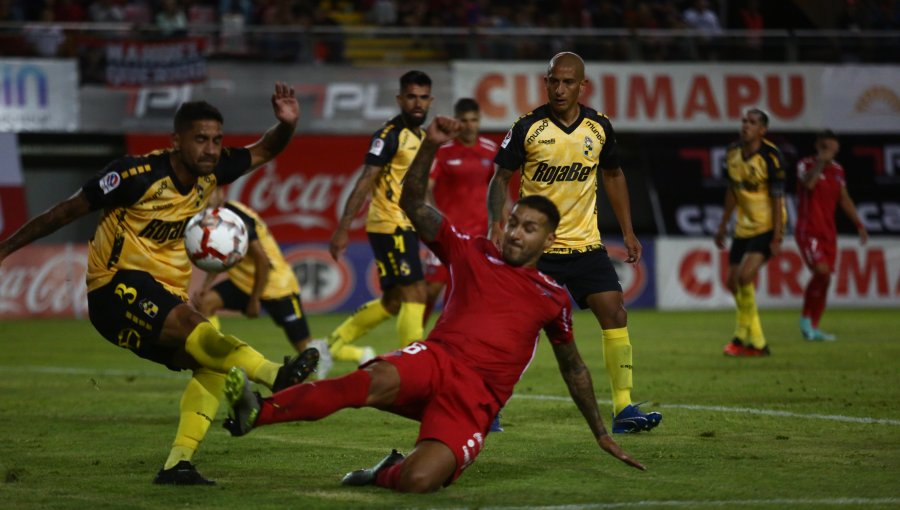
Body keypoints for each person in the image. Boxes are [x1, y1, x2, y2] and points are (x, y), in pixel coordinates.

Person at [221, 116, 646, 493]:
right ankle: (258, 411)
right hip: (435, 361)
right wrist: (429, 147)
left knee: (419, 480)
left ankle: (385, 472)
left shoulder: (553, 298)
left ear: (548, 241)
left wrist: (599, 433)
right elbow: (412, 205)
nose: (516, 233)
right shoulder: (471, 250)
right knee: (362, 384)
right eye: (514, 221)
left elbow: (574, 367)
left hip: (475, 400)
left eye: (529, 228)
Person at [0, 83, 319, 485]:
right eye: (200, 139)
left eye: (217, 140)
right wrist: (5, 249)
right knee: (195, 327)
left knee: (211, 364)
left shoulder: (214, 170)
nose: (211, 149)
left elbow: (266, 149)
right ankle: (277, 375)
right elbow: (64, 212)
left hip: (165, 293)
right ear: (176, 141)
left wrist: (286, 124)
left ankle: (178, 464)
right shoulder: (134, 175)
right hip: (114, 287)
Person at [487, 52, 661, 434]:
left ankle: (623, 408)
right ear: (545, 83)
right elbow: (500, 177)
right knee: (514, 328)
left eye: (568, 82)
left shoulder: (599, 128)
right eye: (553, 81)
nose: (560, 88)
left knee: (615, 314)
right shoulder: (527, 127)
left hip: (586, 245)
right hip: (538, 251)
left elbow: (614, 175)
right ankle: (488, 404)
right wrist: (496, 225)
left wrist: (628, 231)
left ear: (583, 86)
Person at [316, 70, 433, 374]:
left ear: (430, 100)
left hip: (405, 225)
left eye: (423, 97)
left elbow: (419, 187)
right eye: (411, 97)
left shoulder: (421, 137)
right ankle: (413, 368)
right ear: (400, 99)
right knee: (416, 291)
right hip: (389, 223)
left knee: (394, 301)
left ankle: (332, 345)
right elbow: (365, 180)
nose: (417, 103)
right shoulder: (388, 135)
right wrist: (342, 228)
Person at [193, 187, 315, 353]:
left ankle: (348, 354)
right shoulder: (214, 218)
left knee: (305, 348)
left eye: (209, 193)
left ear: (221, 193)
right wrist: (205, 286)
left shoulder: (237, 219)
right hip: (244, 282)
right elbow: (219, 256)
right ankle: (216, 355)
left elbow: (263, 261)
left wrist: (254, 300)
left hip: (276, 284)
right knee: (206, 302)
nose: (203, 199)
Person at [714, 108, 787, 357]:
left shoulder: (771, 156)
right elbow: (732, 191)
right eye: (744, 120)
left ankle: (751, 340)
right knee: (732, 282)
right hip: (743, 227)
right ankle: (748, 341)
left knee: (745, 277)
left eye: (752, 122)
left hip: (767, 225)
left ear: (762, 130)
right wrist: (723, 225)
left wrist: (777, 235)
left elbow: (778, 199)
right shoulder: (732, 153)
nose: (746, 125)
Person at [422, 97, 497, 325]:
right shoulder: (443, 151)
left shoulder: (490, 150)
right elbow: (426, 189)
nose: (469, 125)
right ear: (456, 121)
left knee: (470, 294)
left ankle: (453, 341)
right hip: (448, 235)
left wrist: (502, 222)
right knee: (431, 290)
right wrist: (435, 220)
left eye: (473, 120)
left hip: (479, 238)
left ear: (479, 121)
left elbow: (498, 190)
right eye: (463, 120)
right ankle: (412, 339)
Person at [795, 130, 868, 341]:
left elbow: (844, 199)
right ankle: (805, 321)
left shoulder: (838, 170)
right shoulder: (806, 165)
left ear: (837, 149)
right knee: (822, 272)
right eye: (825, 147)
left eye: (832, 148)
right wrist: (820, 162)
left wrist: (859, 224)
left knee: (825, 280)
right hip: (808, 230)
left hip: (828, 231)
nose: (829, 151)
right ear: (817, 146)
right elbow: (808, 184)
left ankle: (813, 326)